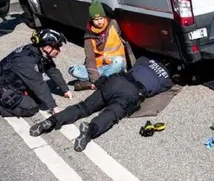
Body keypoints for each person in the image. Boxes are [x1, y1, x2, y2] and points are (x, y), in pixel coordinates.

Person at [29, 56, 173, 152]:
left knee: (83, 107)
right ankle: (90, 130)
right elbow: (155, 92)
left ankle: (51, 121)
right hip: (131, 92)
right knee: (111, 114)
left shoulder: (144, 59)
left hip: (116, 81)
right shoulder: (167, 81)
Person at [0, 29, 71, 117]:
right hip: (4, 87)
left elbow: (52, 70)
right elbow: (39, 84)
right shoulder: (26, 61)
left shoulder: (38, 52)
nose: (59, 51)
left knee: (38, 98)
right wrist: (54, 107)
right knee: (31, 108)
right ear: (47, 47)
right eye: (57, 47)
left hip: (15, 83)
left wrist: (65, 89)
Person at [68, 1, 126, 91]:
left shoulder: (113, 24)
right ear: (91, 20)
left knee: (118, 61)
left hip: (116, 64)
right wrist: (95, 79)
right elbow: (90, 59)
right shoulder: (88, 37)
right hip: (100, 68)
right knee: (73, 69)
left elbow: (121, 37)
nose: (99, 22)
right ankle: (102, 81)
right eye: (96, 19)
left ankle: (96, 83)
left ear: (104, 17)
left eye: (101, 18)